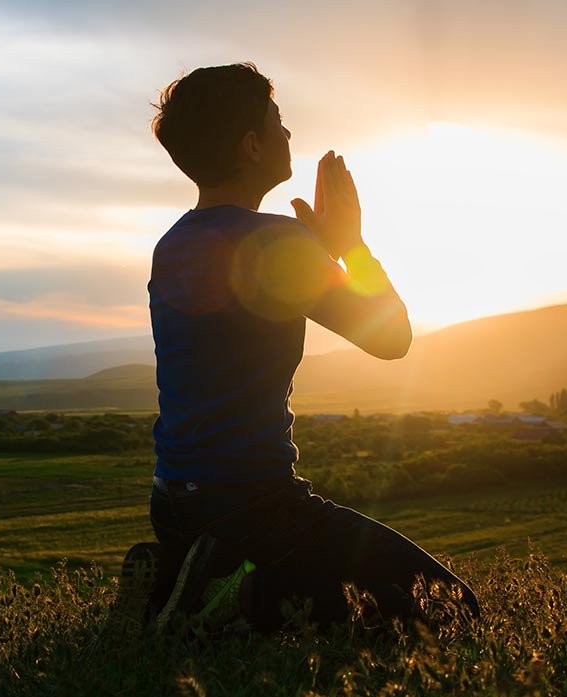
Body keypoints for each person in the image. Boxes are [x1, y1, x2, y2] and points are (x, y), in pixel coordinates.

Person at [120, 62, 480, 633]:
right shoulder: (278, 240)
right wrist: (350, 247)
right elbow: (392, 338)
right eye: (279, 123)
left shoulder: (174, 243)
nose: (289, 135)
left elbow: (239, 292)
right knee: (446, 612)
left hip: (173, 500)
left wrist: (313, 248)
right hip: (257, 503)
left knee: (322, 595)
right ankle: (228, 591)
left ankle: (178, 576)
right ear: (252, 145)